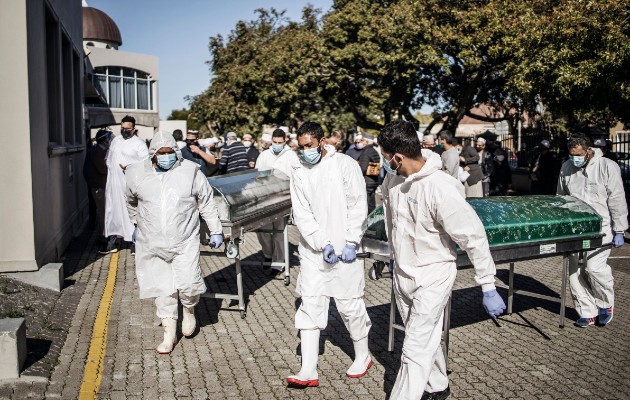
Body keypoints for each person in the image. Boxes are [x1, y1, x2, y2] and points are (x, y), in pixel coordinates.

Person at [378, 120, 505, 400]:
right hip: (403, 271)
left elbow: (473, 236)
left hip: (433, 275)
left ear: (398, 156)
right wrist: (389, 255)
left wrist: (487, 284)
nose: (383, 163)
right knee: (423, 336)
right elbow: (389, 217)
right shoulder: (393, 179)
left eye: (385, 158)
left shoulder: (440, 187)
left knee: (414, 347)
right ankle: (437, 385)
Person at [286, 121, 372, 389]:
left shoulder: (344, 164)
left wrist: (350, 241)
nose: (305, 151)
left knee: (349, 305)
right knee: (310, 303)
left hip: (345, 249)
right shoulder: (299, 170)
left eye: (309, 146)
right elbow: (302, 212)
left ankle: (363, 355)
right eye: (301, 147)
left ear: (322, 142)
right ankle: (308, 369)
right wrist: (321, 242)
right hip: (314, 251)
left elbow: (358, 204)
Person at [125, 131, 223, 354]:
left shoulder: (189, 172)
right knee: (163, 289)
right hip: (152, 242)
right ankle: (169, 334)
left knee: (189, 282)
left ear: (176, 153)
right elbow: (130, 200)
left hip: (185, 240)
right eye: (162, 153)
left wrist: (216, 230)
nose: (167, 156)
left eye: (170, 152)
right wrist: (136, 224)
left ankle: (189, 310)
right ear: (153, 154)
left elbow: (206, 202)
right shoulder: (137, 174)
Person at [556, 133, 627, 327]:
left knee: (594, 268)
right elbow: (561, 198)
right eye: (571, 155)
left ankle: (605, 304)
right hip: (575, 229)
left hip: (601, 228)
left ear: (588, 151)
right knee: (575, 272)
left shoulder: (607, 167)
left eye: (577, 155)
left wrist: (619, 229)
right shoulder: (566, 167)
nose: (574, 159)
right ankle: (586, 311)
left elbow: (617, 199)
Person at [101, 115, 149, 254]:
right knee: (113, 212)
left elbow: (145, 164)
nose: (124, 131)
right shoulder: (116, 140)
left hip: (129, 184)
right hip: (114, 186)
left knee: (131, 213)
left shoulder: (139, 143)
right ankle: (113, 241)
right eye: (122, 128)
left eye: (127, 129)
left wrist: (130, 167)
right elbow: (109, 159)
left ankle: (134, 243)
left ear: (134, 129)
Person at [254, 129, 297, 275]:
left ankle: (278, 263)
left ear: (285, 141)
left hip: (283, 199)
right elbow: (257, 175)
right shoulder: (264, 155)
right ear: (271, 141)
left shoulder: (291, 156)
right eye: (275, 142)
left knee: (279, 232)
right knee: (263, 230)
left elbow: (296, 178)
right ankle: (268, 255)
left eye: (280, 142)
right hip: (265, 199)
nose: (277, 145)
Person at [86, 128, 112, 246]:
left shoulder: (100, 150)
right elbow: (103, 169)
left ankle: (103, 233)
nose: (109, 140)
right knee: (103, 211)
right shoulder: (97, 152)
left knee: (103, 211)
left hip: (100, 186)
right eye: (108, 138)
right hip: (99, 187)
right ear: (104, 140)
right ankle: (104, 235)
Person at [356, 132, 381, 214]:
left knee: (366, 203)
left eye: (362, 140)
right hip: (374, 180)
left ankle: (367, 221)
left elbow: (363, 168)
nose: (361, 142)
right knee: (371, 202)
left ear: (366, 142)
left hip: (367, 181)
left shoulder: (366, 152)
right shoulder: (374, 151)